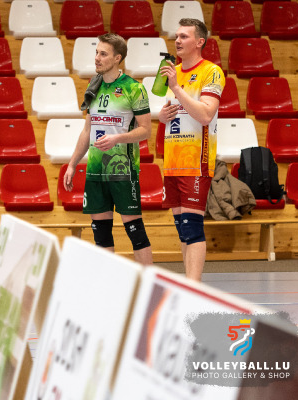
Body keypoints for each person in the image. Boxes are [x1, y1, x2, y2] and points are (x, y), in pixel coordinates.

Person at [64, 33, 153, 265]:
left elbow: (146, 130)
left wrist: (117, 139)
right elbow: (87, 130)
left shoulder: (134, 88)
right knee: (101, 235)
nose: (97, 58)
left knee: (135, 231)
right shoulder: (93, 86)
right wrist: (72, 164)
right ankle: (106, 282)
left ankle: (149, 282)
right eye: (96, 52)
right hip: (96, 170)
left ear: (117, 58)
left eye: (103, 54)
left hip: (123, 170)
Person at [158, 18, 225, 281]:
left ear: (199, 42)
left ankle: (193, 289)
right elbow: (177, 112)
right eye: (176, 36)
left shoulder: (211, 71)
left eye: (184, 36)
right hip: (173, 160)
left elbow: (206, 115)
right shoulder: (173, 71)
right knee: (183, 230)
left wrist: (175, 87)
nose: (177, 41)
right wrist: (162, 116)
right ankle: (188, 285)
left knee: (192, 228)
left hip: (196, 160)